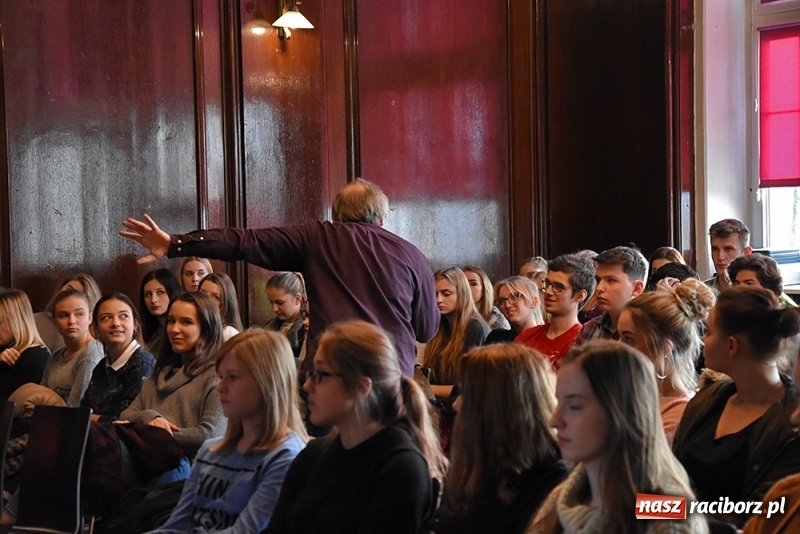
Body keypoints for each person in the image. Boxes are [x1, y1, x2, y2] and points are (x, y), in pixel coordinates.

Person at [120, 178, 439, 377]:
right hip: (391, 376)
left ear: (337, 214)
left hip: (331, 377)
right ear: (382, 219)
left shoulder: (317, 237)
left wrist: (176, 244)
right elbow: (426, 329)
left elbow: (244, 241)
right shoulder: (412, 255)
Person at [265, 320, 446, 533]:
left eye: (320, 374)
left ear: (361, 386)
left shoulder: (401, 469)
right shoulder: (314, 455)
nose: (306, 386)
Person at [527, 341, 706, 534]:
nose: (554, 421)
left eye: (575, 406)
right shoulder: (563, 499)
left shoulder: (667, 520)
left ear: (621, 412)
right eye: (558, 402)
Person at [149, 330, 308, 533]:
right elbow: (176, 526)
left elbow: (245, 531)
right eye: (220, 377)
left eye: (232, 377)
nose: (220, 388)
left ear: (266, 382)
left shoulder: (286, 456)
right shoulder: (210, 451)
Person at [673, 286, 800, 527]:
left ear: (732, 345)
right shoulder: (707, 399)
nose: (702, 339)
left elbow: (759, 515)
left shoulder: (791, 428)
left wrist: (658, 509)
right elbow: (667, 478)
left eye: (709, 332)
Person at [429, 343, 568, 534]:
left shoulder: (551, 483)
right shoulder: (487, 458)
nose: (456, 405)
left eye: (467, 394)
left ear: (498, 405)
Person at [118, 291, 226, 479]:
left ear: (206, 328)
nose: (174, 329)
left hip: (189, 468)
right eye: (171, 321)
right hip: (147, 458)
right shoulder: (160, 374)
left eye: (186, 322)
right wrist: (151, 418)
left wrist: (150, 433)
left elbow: (209, 436)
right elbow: (126, 414)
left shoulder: (219, 375)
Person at [617, 278, 715, 444]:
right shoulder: (633, 396)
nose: (617, 346)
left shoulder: (679, 415)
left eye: (628, 339)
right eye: (618, 336)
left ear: (663, 347)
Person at [81, 292, 156, 422]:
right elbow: (84, 408)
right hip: (96, 435)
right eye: (106, 318)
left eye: (123, 316)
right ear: (96, 328)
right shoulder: (102, 365)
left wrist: (88, 418)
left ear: (135, 325)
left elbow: (125, 420)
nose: (115, 323)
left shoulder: (142, 364)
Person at [515, 254, 595, 369]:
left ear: (579, 296)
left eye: (558, 287)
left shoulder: (581, 343)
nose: (548, 291)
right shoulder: (527, 336)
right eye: (547, 283)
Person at [422, 267, 489, 398]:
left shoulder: (475, 327)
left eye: (446, 294)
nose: (438, 300)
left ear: (462, 293)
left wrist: (426, 388)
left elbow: (470, 388)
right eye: (434, 294)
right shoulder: (440, 326)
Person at [41, 288, 104, 406]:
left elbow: (76, 407)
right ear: (54, 321)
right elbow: (40, 395)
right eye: (63, 315)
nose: (71, 321)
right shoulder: (55, 356)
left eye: (79, 314)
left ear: (90, 318)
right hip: (49, 417)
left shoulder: (90, 354)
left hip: (73, 421)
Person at [574, 246, 648, 345]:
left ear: (637, 288)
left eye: (611, 280)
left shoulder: (649, 333)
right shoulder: (589, 329)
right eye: (598, 280)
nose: (599, 288)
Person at [0, 289, 50, 400]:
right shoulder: (4, 350)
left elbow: (7, 402)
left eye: (0, 321)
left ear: (17, 320)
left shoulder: (36, 356)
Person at [34, 273, 102, 353]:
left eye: (78, 294)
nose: (71, 321)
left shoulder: (92, 350)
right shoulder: (34, 320)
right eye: (68, 290)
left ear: (89, 317)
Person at [484, 276, 543, 344]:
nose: (507, 305)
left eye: (514, 297)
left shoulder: (546, 340)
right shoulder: (496, 338)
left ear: (534, 301)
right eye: (501, 301)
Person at [728, 252, 797, 307]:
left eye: (749, 284)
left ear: (769, 289)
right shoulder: (727, 316)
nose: (739, 288)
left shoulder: (788, 319)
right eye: (737, 283)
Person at [265, 271, 307, 360]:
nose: (274, 309)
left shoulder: (306, 329)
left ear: (297, 299)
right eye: (271, 302)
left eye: (280, 303)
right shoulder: (270, 325)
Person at [139, 268, 181, 355]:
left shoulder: (179, 331)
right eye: (148, 294)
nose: (153, 300)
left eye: (160, 292)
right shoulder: (149, 332)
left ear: (172, 292)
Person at [705, 218, 753, 292]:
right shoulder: (699, 293)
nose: (720, 257)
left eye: (728, 249)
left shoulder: (758, 294)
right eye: (715, 249)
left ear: (746, 252)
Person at [199, 272, 244, 340]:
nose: (206, 299)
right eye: (202, 293)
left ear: (225, 303)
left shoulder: (228, 333)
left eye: (214, 297)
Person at [463, 265, 509, 331]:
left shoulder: (496, 320)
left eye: (473, 284)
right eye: (464, 284)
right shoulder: (455, 317)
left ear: (484, 290)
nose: (467, 288)